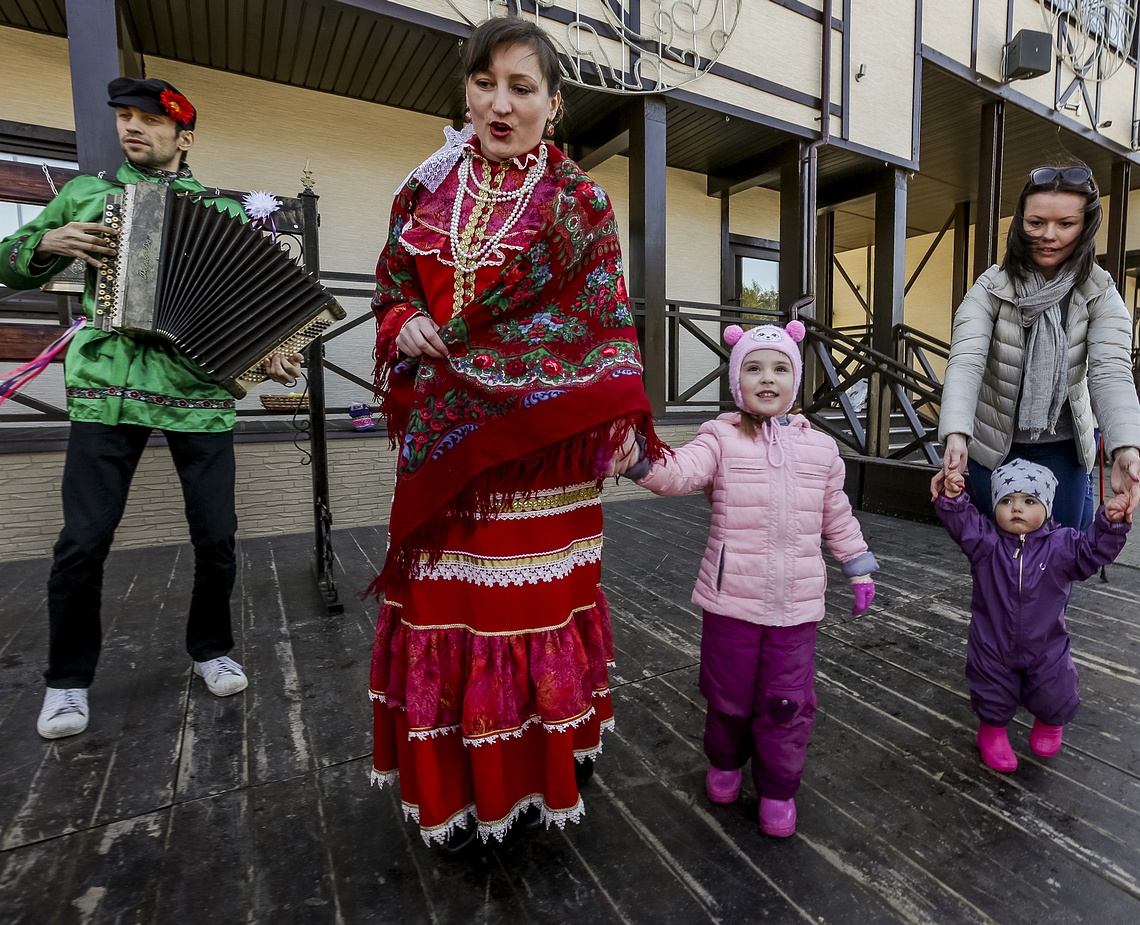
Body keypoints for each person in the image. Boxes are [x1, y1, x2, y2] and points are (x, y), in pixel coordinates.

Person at [366, 16, 661, 853]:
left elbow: (604, 323)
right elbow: (391, 284)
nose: (500, 104)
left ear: (554, 104)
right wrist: (404, 324)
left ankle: (543, 767)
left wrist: (613, 421)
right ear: (466, 91)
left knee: (526, 616)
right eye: (485, 83)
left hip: (537, 463)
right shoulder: (422, 191)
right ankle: (461, 792)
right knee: (442, 612)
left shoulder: (578, 203)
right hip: (442, 447)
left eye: (522, 88)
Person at [0, 77, 302, 740]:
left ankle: (211, 647)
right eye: (125, 117)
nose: (133, 128)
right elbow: (10, 266)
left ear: (183, 135)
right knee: (82, 542)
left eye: (149, 120)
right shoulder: (84, 195)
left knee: (217, 536)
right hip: (107, 388)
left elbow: (239, 317)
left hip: (195, 394)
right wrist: (43, 245)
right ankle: (67, 679)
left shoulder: (217, 216)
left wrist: (270, 354)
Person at [622, 321, 878, 838]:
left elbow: (836, 514)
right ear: (738, 382)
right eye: (754, 368)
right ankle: (724, 762)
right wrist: (638, 459)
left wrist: (856, 563)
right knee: (728, 695)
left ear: (796, 379)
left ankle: (780, 790)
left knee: (786, 704)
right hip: (730, 602)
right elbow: (681, 471)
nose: (768, 378)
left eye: (780, 368)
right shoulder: (720, 437)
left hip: (797, 607)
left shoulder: (821, 451)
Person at [933, 161, 1140, 528]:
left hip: (1064, 446)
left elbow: (1110, 372)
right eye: (1036, 223)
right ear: (1020, 223)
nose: (1049, 235)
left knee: (1058, 561)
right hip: (993, 445)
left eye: (1066, 224)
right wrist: (955, 433)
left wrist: (1126, 446)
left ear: (1086, 226)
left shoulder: (1100, 291)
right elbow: (966, 361)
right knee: (993, 558)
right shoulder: (991, 287)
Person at [935, 460, 1130, 772]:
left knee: (1056, 688)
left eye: (1029, 501)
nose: (1016, 508)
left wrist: (1110, 524)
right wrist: (953, 498)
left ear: (1047, 507)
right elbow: (962, 523)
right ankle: (992, 732)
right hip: (992, 642)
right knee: (991, 689)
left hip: (1046, 643)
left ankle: (1050, 723)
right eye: (1007, 500)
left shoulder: (1063, 545)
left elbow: (1093, 552)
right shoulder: (986, 542)